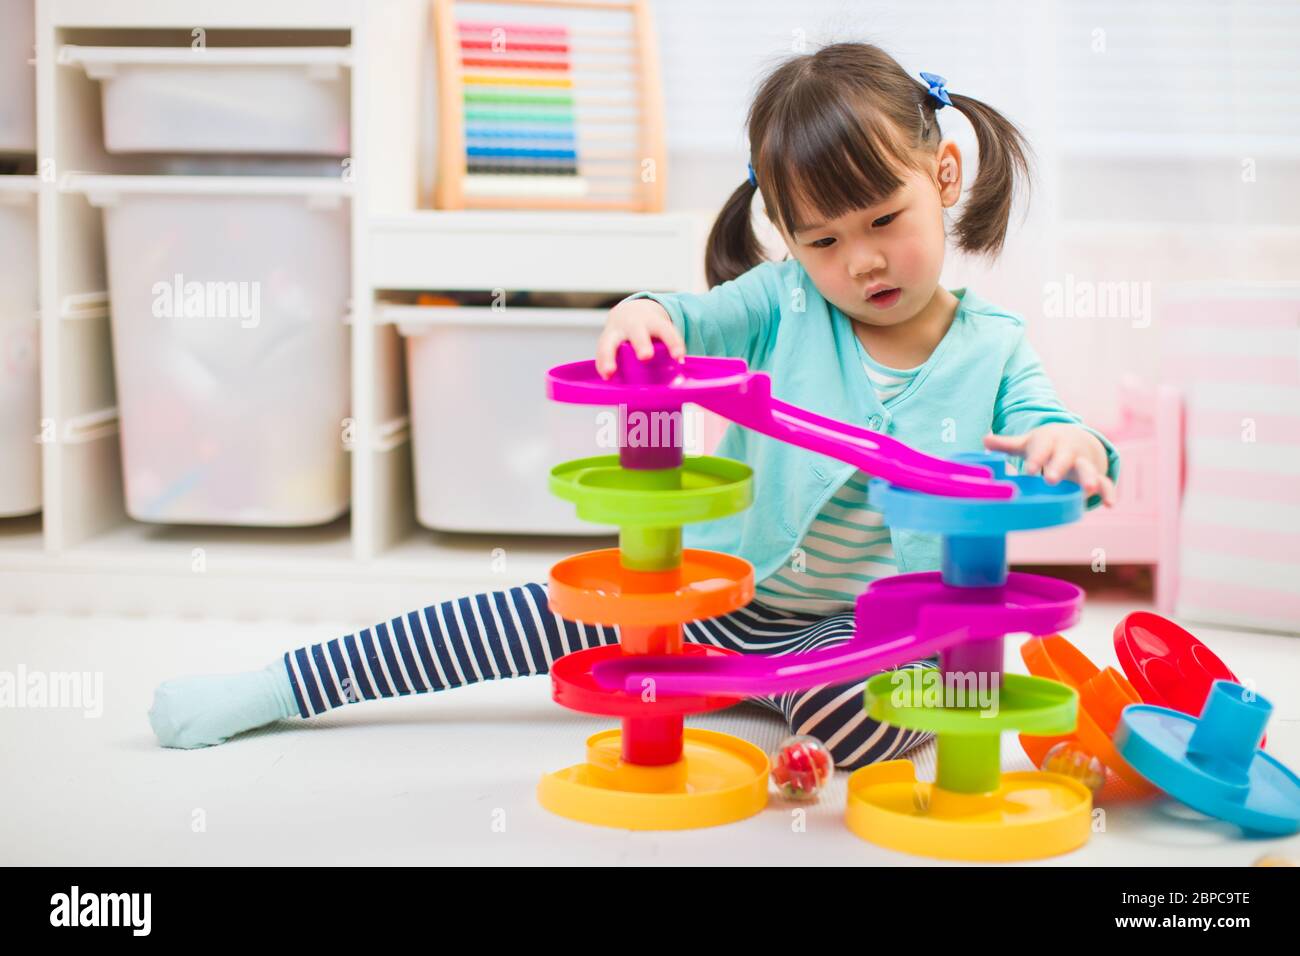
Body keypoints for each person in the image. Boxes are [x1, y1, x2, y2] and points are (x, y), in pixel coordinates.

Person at [149, 43, 1119, 770]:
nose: (859, 260)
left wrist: (1067, 441)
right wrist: (641, 315)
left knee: (881, 694)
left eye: (884, 221)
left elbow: (1049, 419)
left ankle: (817, 732)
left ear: (941, 179)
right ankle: (283, 684)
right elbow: (685, 315)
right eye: (821, 239)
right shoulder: (781, 302)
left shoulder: (992, 341)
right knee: (518, 613)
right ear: (782, 235)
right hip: (716, 591)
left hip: (852, 627)